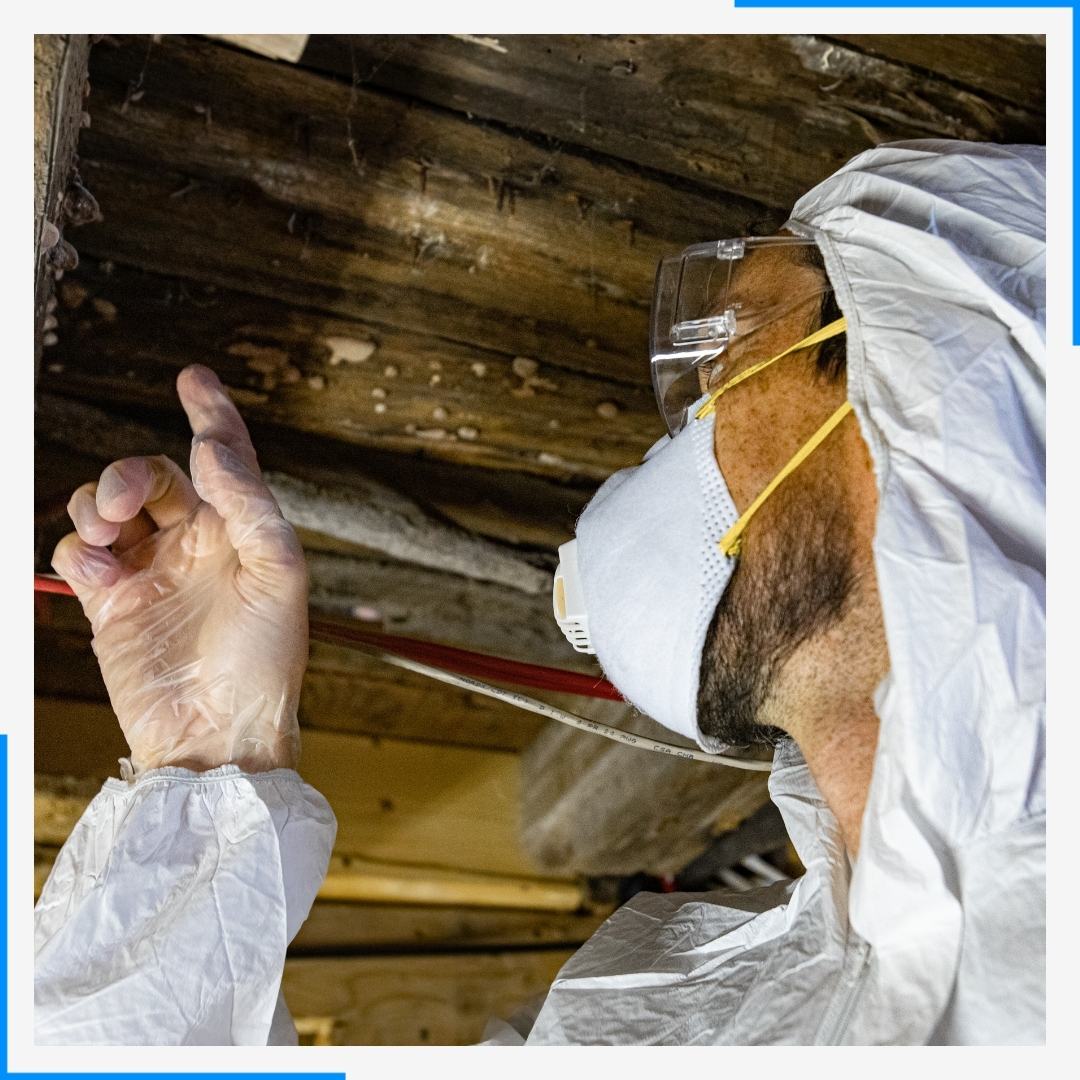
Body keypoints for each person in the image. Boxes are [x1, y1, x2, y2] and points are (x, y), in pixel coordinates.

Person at [37, 139, 1044, 1045]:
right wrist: (209, 757)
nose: (684, 423)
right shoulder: (684, 1011)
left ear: (932, 413)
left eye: (725, 363)